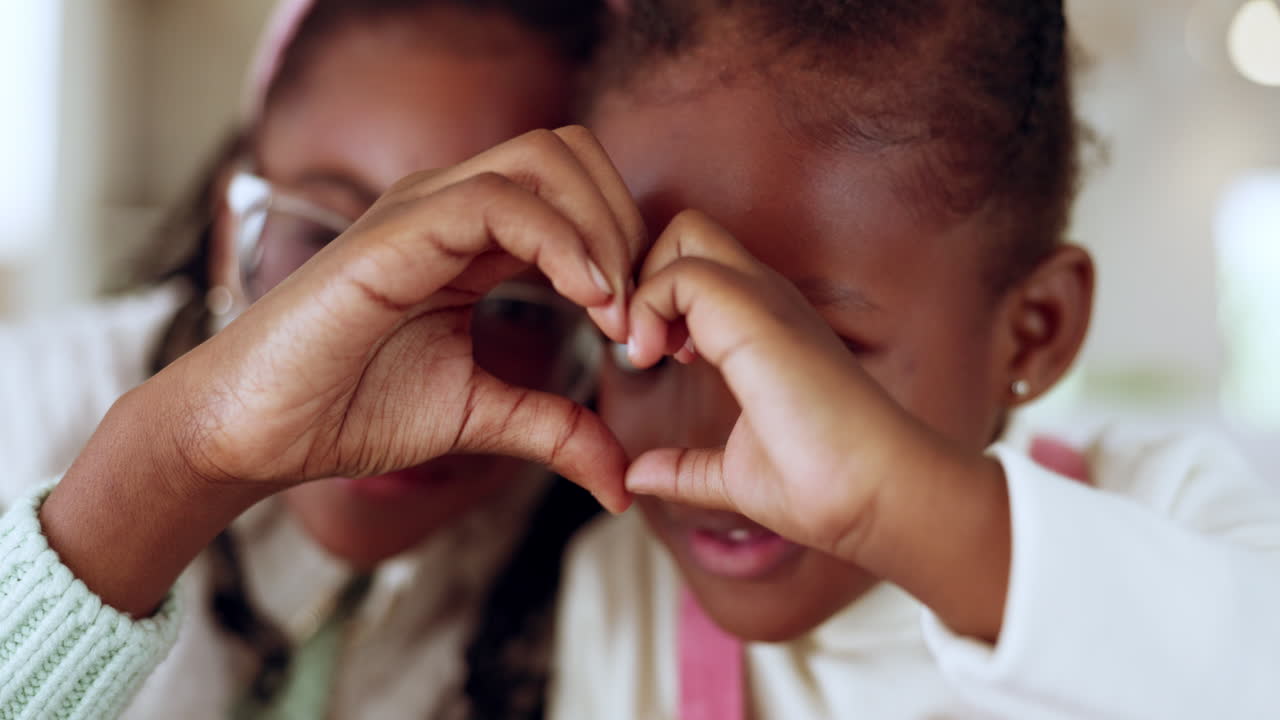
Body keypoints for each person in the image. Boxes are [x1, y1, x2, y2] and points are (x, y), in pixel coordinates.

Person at [546, 1, 1280, 718]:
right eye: (633, 341)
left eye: (811, 354)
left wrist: (890, 506)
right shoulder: (622, 598)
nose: (706, 434)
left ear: (1034, 330)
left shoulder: (1170, 512)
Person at [0, 1, 617, 718]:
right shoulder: (24, 406)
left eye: (513, 307)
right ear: (233, 226)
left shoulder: (610, 578)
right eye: (324, 246)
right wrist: (172, 467)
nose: (392, 362)